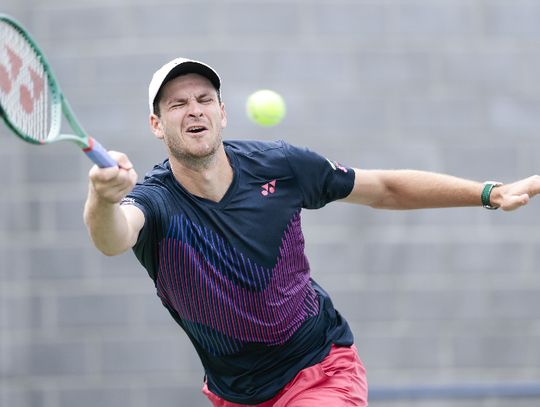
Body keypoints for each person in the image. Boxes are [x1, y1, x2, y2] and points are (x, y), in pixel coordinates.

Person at [83, 57, 540, 407]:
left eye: (204, 99)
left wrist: (489, 193)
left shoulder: (280, 165)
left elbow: (385, 188)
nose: (194, 110)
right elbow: (113, 237)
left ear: (222, 112)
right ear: (157, 125)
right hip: (236, 393)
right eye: (177, 104)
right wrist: (103, 197)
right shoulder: (154, 201)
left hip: (320, 367)